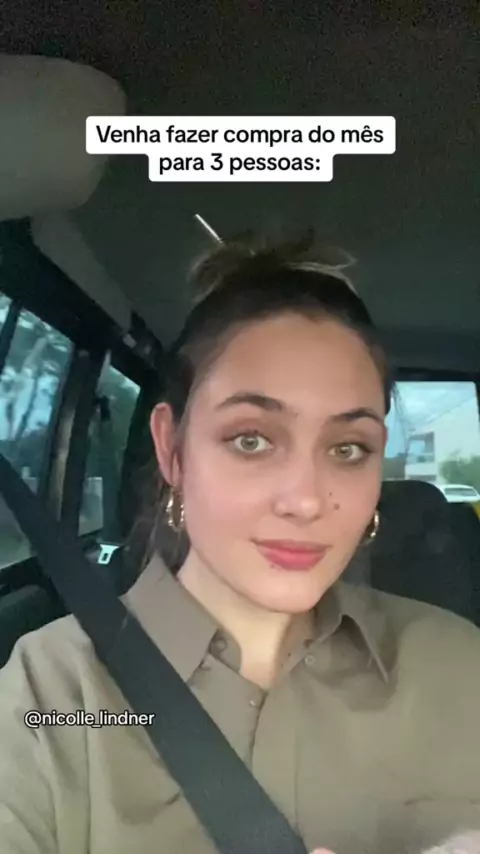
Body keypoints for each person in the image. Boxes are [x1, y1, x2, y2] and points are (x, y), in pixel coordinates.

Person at [1, 229, 479, 854]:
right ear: (172, 449)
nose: (306, 500)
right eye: (251, 439)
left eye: (347, 448)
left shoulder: (458, 664)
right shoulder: (50, 698)